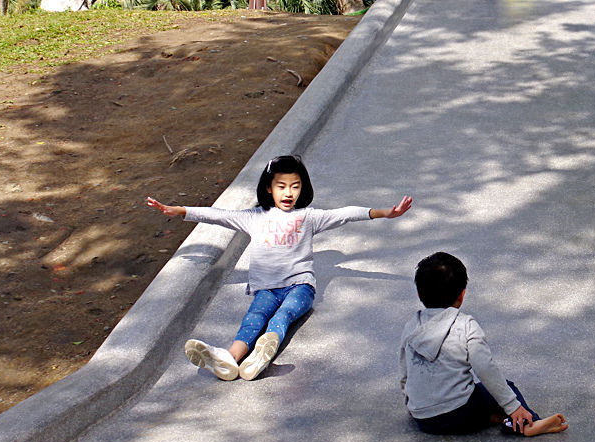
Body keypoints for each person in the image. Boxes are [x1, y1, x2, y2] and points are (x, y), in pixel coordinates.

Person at [147, 156, 412, 381]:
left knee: (282, 315)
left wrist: (385, 213)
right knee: (253, 319)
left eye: (295, 187)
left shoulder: (307, 217)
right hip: (266, 289)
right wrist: (180, 210)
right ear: (268, 189)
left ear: (302, 188)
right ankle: (229, 359)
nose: (288, 193)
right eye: (281, 186)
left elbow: (345, 213)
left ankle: (263, 355)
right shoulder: (254, 218)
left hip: (300, 287)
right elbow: (217, 215)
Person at [401, 252, 568, 436]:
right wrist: (513, 406)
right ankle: (527, 422)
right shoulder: (465, 325)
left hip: (424, 420)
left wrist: (411, 403)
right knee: (505, 388)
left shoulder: (411, 326)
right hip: (460, 414)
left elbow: (405, 370)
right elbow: (485, 368)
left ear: (419, 294)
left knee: (479, 401)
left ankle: (495, 417)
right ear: (462, 294)